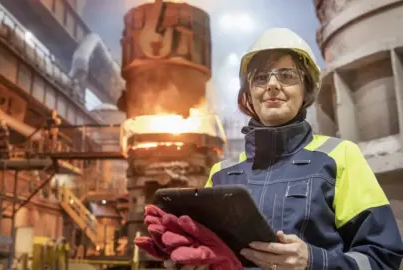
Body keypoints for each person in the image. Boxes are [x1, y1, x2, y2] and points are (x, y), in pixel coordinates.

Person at [135, 28, 403, 270]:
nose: (273, 85)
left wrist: (312, 261)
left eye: (287, 76)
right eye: (261, 78)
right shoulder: (221, 174)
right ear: (248, 94)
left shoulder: (339, 157)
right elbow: (212, 252)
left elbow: (383, 258)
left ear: (306, 89)